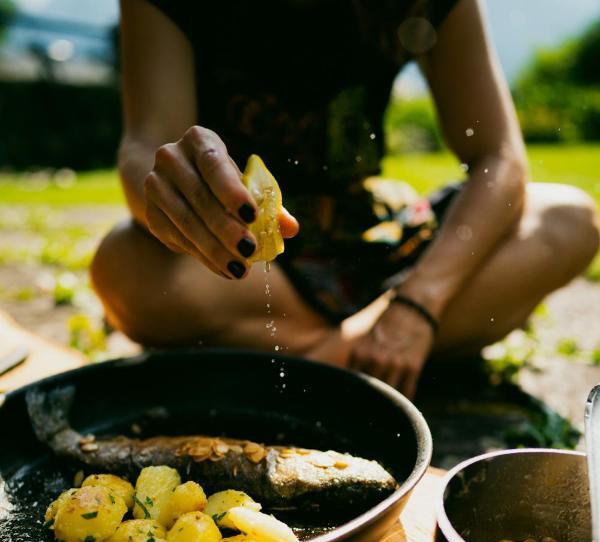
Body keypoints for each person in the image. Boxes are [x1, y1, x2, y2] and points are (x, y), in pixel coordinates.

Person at [92, 0, 599, 398]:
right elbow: (145, 146)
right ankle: (363, 361)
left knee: (567, 219)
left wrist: (418, 304)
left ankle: (309, 358)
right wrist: (173, 199)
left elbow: (499, 156)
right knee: (121, 268)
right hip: (242, 263)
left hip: (379, 249)